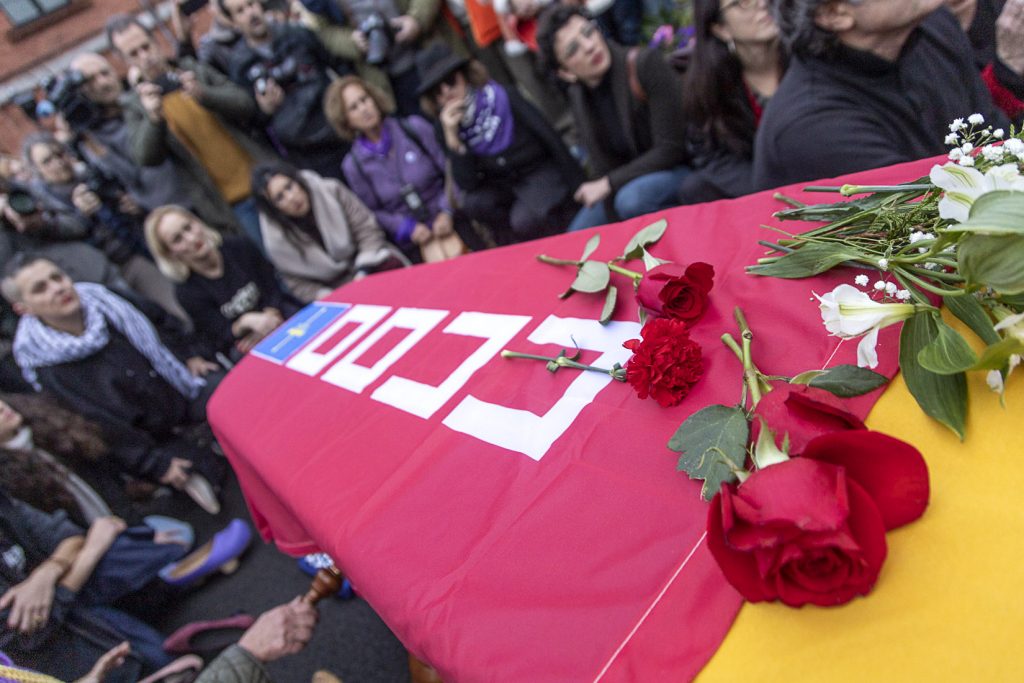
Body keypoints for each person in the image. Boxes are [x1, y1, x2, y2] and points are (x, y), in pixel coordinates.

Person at [2, 256, 224, 514]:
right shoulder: (44, 365)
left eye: (57, 277)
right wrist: (155, 465)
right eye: (41, 288)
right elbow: (97, 427)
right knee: (211, 481)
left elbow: (162, 320)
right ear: (23, 309)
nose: (58, 288)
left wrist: (189, 355)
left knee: (235, 398)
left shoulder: (107, 300)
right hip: (152, 439)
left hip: (181, 388)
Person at [753, 0, 1024, 189]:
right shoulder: (812, 124)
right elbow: (923, 213)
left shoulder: (933, 28)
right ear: (835, 13)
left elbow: (996, 142)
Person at [106, 14, 276, 249]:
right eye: (134, 54)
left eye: (146, 47)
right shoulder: (135, 104)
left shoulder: (190, 69)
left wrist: (204, 94)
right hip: (229, 203)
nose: (145, 57)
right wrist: (153, 118)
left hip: (265, 176)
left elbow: (244, 103)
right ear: (123, 60)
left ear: (156, 41)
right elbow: (145, 157)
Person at [536, 5, 690, 231]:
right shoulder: (579, 96)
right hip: (628, 181)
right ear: (566, 72)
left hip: (681, 171)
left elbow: (671, 149)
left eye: (589, 32)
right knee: (577, 234)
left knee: (631, 200)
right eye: (573, 49)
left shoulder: (644, 63)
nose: (589, 47)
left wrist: (609, 184)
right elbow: (601, 166)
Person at [415, 44, 583, 243]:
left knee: (523, 220)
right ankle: (515, 251)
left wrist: (579, 184)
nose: (446, 91)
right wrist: (454, 139)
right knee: (475, 203)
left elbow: (549, 137)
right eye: (436, 91)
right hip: (503, 186)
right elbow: (468, 184)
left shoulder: (503, 96)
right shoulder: (444, 126)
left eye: (450, 81)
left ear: (464, 75)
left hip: (537, 171)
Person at [21, 133, 188, 323]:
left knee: (178, 312)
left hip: (133, 257)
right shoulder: (42, 206)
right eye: (47, 161)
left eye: (59, 154)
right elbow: (62, 233)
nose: (58, 163)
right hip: (96, 278)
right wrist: (81, 214)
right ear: (38, 171)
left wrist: (132, 206)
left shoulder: (92, 175)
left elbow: (130, 193)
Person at [66, 52, 239, 234]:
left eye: (105, 73)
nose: (103, 83)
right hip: (169, 215)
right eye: (91, 80)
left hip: (208, 192)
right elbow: (130, 177)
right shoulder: (92, 135)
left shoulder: (143, 97)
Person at [328, 75, 468, 261]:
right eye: (353, 107)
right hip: (415, 242)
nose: (364, 109)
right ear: (346, 120)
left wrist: (446, 210)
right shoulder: (353, 165)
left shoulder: (413, 128)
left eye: (365, 99)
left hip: (453, 219)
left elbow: (450, 168)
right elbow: (372, 212)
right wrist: (406, 228)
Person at [144, 205, 302, 361]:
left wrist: (269, 315)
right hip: (244, 340)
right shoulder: (187, 293)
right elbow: (217, 335)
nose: (191, 239)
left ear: (197, 222)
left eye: (188, 227)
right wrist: (244, 323)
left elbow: (272, 285)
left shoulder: (239, 246)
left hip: (277, 312)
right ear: (170, 253)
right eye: (178, 239)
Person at [218, 0, 352, 179]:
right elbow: (252, 121)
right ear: (233, 21)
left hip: (340, 131)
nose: (250, 13)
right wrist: (265, 110)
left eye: (251, 4)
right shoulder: (240, 65)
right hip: (307, 155)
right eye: (240, 11)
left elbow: (338, 65)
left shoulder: (296, 33)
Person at [677, 0, 786, 203]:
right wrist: (765, 187)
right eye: (744, 2)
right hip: (759, 186)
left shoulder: (806, 55)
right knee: (694, 188)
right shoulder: (709, 83)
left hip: (816, 167)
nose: (762, 4)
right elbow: (709, 155)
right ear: (721, 29)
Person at [251, 162, 401, 302]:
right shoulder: (276, 239)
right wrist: (329, 296)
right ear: (274, 209)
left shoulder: (330, 190)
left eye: (289, 186)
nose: (291, 198)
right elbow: (297, 283)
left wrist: (363, 270)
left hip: (371, 264)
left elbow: (367, 230)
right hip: (336, 294)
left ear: (298, 180)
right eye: (279, 198)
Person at [0, 393, 124, 526]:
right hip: (90, 538)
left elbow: (109, 476)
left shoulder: (48, 427)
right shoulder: (7, 480)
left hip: (128, 515)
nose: (2, 407)